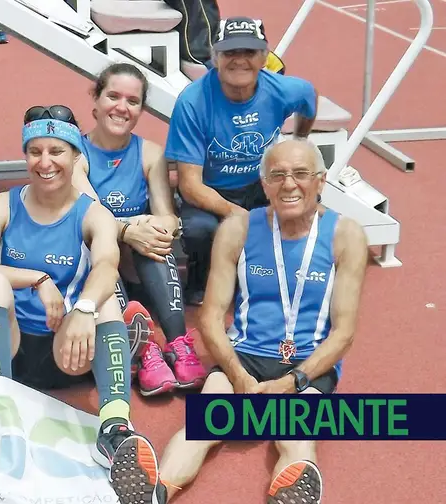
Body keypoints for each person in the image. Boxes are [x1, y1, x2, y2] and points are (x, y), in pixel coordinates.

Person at [0, 106, 162, 502]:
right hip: (8, 345)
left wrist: (84, 310)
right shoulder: (3, 206)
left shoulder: (95, 214)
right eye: (35, 151)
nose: (45, 162)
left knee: (103, 302)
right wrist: (38, 278)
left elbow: (107, 266)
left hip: (65, 347)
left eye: (57, 151)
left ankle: (114, 428)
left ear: (75, 158)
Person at [151, 139, 368, 504]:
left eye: (301, 174)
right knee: (201, 428)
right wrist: (238, 377)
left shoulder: (346, 235)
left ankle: (292, 492)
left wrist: (292, 381)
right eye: (277, 175)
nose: (289, 184)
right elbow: (210, 318)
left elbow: (343, 334)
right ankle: (154, 492)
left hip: (307, 365)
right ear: (264, 184)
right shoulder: (238, 229)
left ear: (321, 181)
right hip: (245, 357)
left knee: (296, 435)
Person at [71, 62, 208, 396]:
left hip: (142, 260)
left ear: (141, 109)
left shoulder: (149, 153)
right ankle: (140, 345)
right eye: (113, 96)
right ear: (96, 100)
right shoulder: (77, 154)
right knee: (99, 246)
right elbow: (89, 220)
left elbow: (168, 218)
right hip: (98, 259)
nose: (122, 107)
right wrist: (128, 230)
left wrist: (140, 229)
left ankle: (177, 342)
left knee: (156, 238)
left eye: (132, 101)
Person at [164, 16, 319, 306]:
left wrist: (299, 141)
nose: (240, 61)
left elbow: (309, 98)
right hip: (211, 189)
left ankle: (273, 273)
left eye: (249, 52)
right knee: (200, 230)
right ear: (215, 58)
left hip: (260, 185)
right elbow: (189, 185)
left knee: (304, 201)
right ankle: (203, 274)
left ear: (263, 57)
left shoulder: (284, 90)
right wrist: (239, 215)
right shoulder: (192, 102)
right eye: (230, 52)